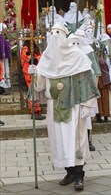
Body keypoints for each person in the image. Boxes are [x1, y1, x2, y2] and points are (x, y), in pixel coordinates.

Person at [28, 23, 100, 191]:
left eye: (58, 33)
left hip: (75, 106)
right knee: (60, 141)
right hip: (55, 107)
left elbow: (87, 83)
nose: (55, 36)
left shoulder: (78, 56)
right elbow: (40, 86)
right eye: (52, 33)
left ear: (65, 35)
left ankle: (79, 175)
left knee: (76, 140)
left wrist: (87, 107)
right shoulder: (47, 58)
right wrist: (35, 73)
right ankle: (69, 171)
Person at [68, 29, 101, 151]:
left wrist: (91, 90)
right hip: (70, 91)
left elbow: (95, 71)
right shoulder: (67, 53)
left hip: (86, 89)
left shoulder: (88, 51)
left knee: (86, 118)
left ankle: (88, 140)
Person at [20, 40, 46, 120]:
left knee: (36, 91)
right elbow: (31, 60)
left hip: (36, 72)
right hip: (29, 73)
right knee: (32, 92)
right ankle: (34, 112)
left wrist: (37, 58)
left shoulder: (35, 49)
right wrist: (36, 58)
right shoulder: (25, 49)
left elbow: (40, 58)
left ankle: (37, 111)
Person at [0, 23, 11, 95]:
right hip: (2, 59)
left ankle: (4, 87)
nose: (5, 31)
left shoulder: (2, 38)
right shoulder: (1, 38)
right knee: (3, 72)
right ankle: (2, 88)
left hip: (4, 58)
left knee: (4, 72)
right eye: (4, 30)